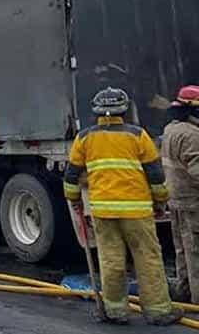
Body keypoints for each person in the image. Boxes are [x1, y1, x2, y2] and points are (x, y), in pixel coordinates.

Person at [63, 87, 182, 325]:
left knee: (110, 259)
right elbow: (155, 175)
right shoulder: (138, 136)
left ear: (96, 112)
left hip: (103, 212)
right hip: (137, 211)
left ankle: (115, 310)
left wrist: (75, 200)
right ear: (125, 110)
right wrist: (160, 203)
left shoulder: (84, 138)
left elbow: (71, 175)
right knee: (147, 258)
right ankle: (158, 311)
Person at [161, 85, 199, 303]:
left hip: (175, 201)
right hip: (193, 203)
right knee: (195, 253)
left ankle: (184, 293)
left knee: (182, 251)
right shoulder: (193, 136)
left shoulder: (170, 130)